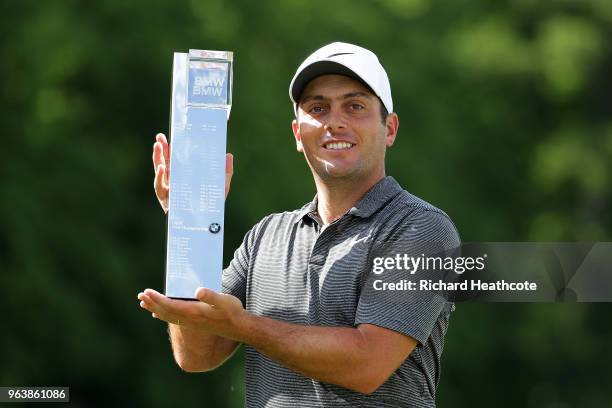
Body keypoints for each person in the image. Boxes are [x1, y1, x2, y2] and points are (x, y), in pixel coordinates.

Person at [138, 42, 460, 407]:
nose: (334, 121)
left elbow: (368, 363)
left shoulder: (422, 228)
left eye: (355, 106)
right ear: (297, 133)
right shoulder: (265, 236)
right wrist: (189, 224)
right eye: (317, 108)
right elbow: (198, 355)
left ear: (390, 129)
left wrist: (243, 325)